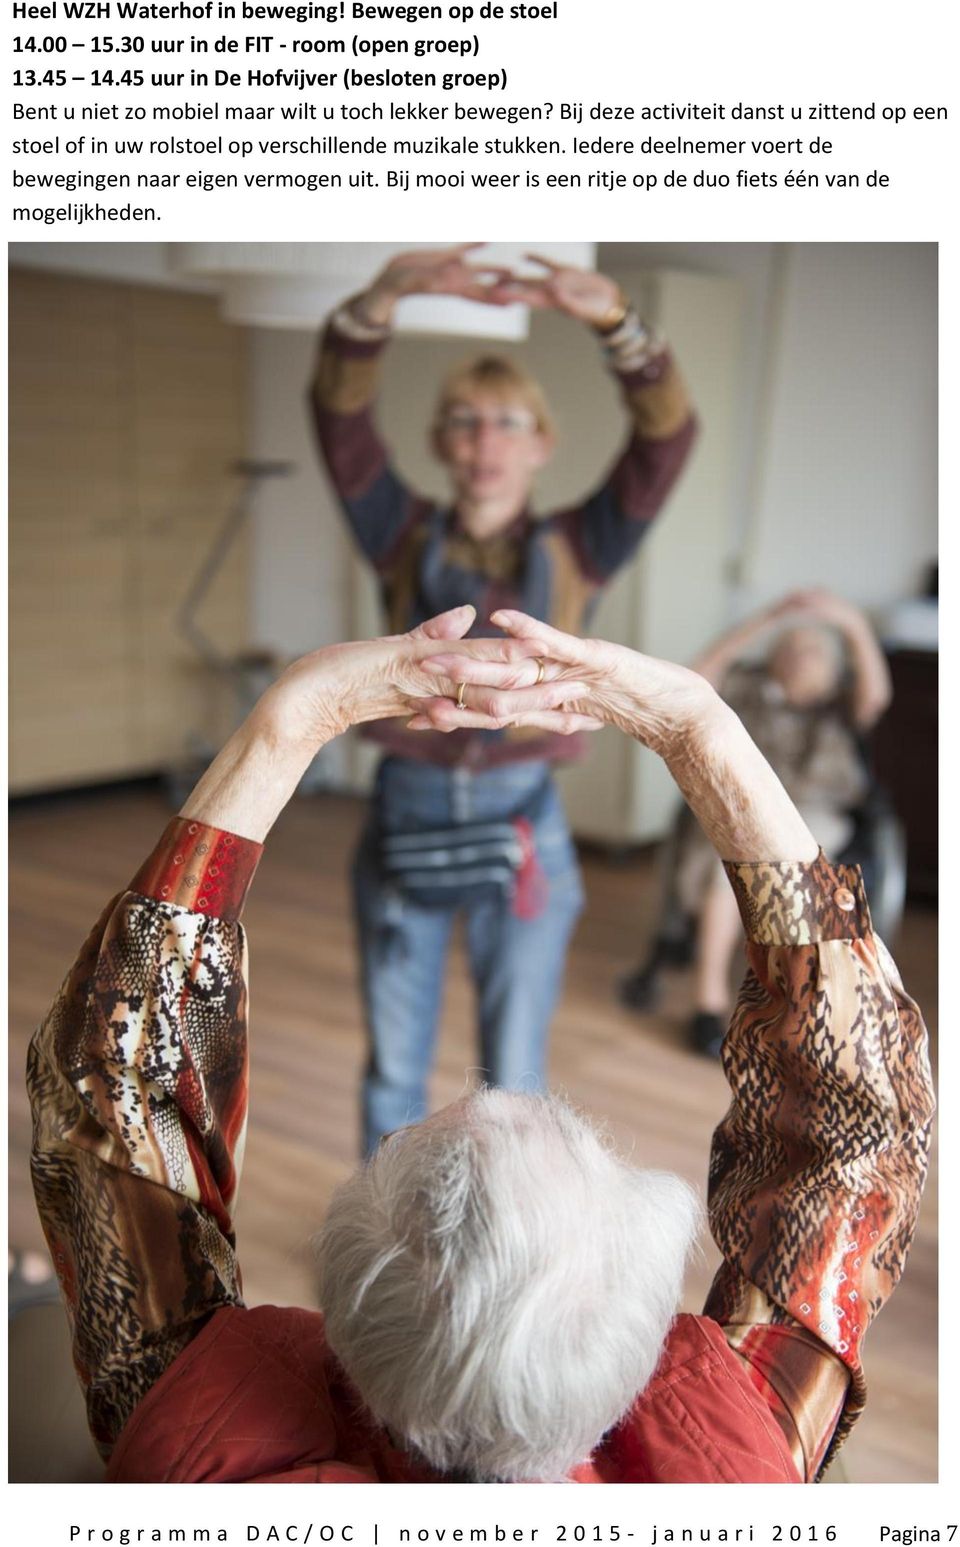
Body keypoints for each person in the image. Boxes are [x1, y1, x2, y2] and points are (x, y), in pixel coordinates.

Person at [28, 606, 932, 1485]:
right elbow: (860, 1125)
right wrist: (700, 731)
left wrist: (291, 720)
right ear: (644, 1351)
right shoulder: (738, 1451)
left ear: (339, 1329)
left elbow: (114, 1079)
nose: (495, 1110)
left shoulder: (193, 1436)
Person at [309, 244, 697, 1152]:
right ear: (442, 440)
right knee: (392, 1072)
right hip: (404, 815)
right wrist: (385, 296)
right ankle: (388, 1260)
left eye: (509, 421)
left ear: (542, 444)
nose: (486, 441)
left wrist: (620, 326)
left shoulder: (579, 546)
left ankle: (504, 1255)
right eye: (465, 420)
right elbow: (338, 417)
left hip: (525, 824)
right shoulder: (398, 533)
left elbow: (665, 443)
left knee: (513, 1078)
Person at [621, 588, 894, 1057]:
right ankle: (710, 997)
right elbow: (693, 679)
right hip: (741, 806)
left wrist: (850, 622)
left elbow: (878, 694)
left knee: (755, 860)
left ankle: (757, 1006)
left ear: (832, 666)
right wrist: (765, 619)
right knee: (728, 860)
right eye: (789, 646)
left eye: (813, 649)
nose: (800, 656)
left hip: (815, 811)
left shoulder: (841, 704)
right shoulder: (749, 687)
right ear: (773, 657)